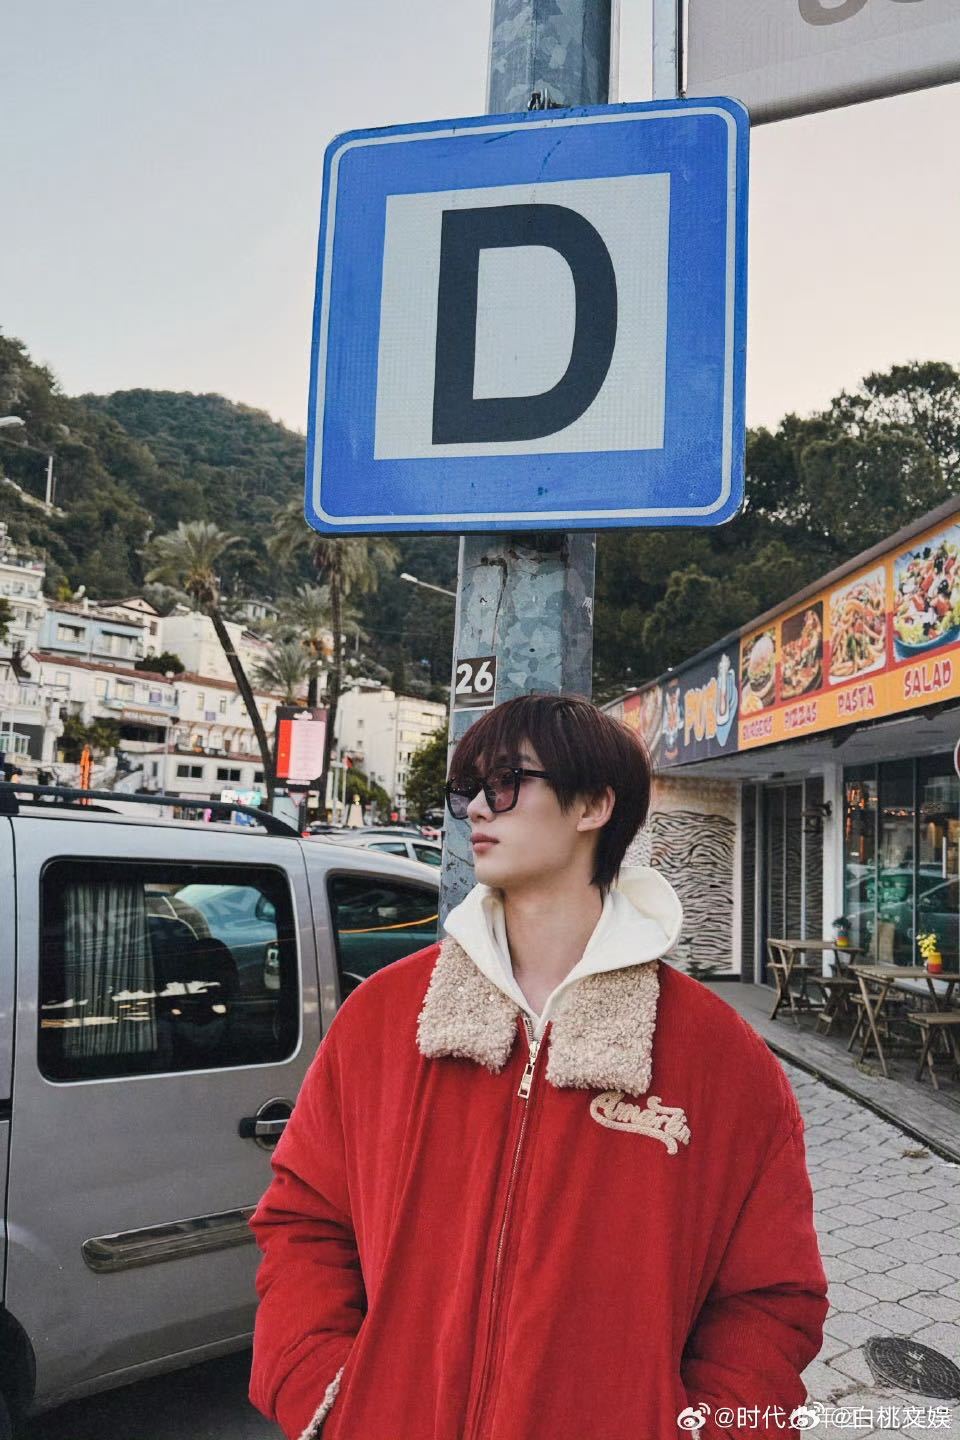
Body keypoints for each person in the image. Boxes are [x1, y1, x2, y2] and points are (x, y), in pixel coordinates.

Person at [248, 694, 828, 1440]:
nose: (475, 810)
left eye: (505, 783)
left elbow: (771, 1299)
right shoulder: (385, 1019)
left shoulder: (722, 1059)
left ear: (594, 805)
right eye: (469, 790)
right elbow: (303, 1221)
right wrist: (326, 1396)